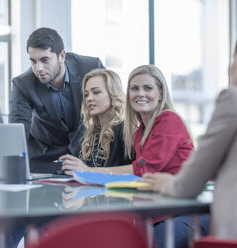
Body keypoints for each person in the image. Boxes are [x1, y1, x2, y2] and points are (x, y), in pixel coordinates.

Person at [138, 30, 237, 240]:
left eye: (234, 59)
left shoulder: (236, 98)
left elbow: (197, 173)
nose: (230, 68)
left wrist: (167, 184)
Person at [62, 64, 209, 248]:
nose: (140, 93)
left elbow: (144, 169)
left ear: (161, 94)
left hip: (185, 211)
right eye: (134, 88)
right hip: (158, 209)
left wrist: (90, 172)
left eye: (148, 88)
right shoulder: (139, 132)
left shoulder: (169, 119)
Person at [9, 27, 105, 173]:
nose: (38, 68)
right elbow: (18, 129)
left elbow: (115, 106)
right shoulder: (23, 84)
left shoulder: (91, 68)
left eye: (44, 60)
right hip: (46, 161)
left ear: (62, 56)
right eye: (33, 61)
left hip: (90, 158)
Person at [59, 68, 133, 169]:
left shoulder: (124, 130)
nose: (89, 98)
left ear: (113, 94)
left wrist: (89, 171)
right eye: (86, 94)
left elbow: (137, 171)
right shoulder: (89, 134)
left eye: (96, 92)